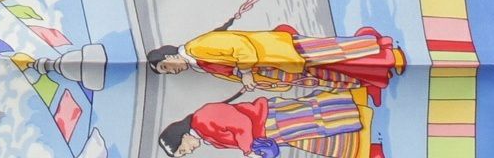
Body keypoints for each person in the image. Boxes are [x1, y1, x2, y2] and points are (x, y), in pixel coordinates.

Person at [147, 23, 405, 105]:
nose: (172, 71)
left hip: (281, 51)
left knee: (333, 54)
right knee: (328, 76)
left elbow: (242, 46)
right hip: (276, 70)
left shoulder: (198, 46)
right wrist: (261, 82)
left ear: (169, 55)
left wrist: (246, 73)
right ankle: (374, 78)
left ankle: (388, 55)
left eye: (166, 67)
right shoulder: (199, 66)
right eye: (167, 73)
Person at [159, 90, 374, 158]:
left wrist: (249, 151)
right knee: (317, 135)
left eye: (182, 150)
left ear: (181, 137)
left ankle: (357, 109)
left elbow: (241, 122)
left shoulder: (202, 118)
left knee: (317, 117)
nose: (188, 153)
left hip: (270, 118)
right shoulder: (208, 138)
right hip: (270, 132)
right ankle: (362, 141)